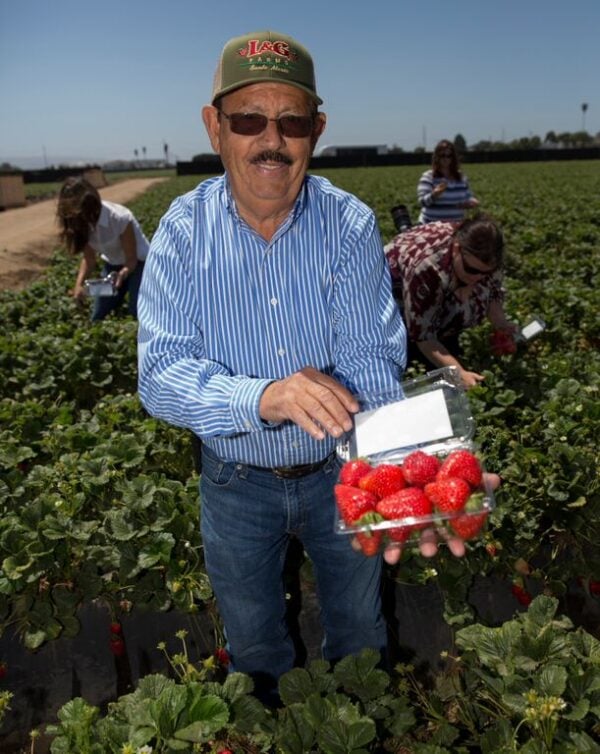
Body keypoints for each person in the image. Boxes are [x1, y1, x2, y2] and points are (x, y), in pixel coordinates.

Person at [137, 29, 498, 705]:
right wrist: (264, 396)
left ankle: (353, 727)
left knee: (361, 630)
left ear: (317, 130)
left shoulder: (350, 224)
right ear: (215, 126)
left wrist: (413, 464)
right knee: (253, 643)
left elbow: (370, 357)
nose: (271, 141)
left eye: (292, 121)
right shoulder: (181, 236)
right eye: (248, 119)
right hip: (235, 482)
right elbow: (160, 373)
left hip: (343, 469)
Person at [384, 215, 518, 389]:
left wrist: (501, 324)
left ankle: (446, 335)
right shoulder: (427, 267)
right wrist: (459, 373)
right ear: (456, 248)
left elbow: (492, 292)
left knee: (468, 302)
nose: (478, 278)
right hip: (392, 286)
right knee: (414, 340)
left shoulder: (490, 256)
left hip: (443, 272)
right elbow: (423, 336)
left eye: (486, 273)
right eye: (472, 270)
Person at [56, 177, 149, 320]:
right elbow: (89, 259)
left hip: (139, 264)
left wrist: (122, 274)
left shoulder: (119, 218)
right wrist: (79, 285)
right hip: (112, 266)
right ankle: (118, 294)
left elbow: (131, 259)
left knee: (137, 313)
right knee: (98, 315)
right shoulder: (79, 223)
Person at [417, 140, 479, 224]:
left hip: (456, 226)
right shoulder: (428, 177)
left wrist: (471, 202)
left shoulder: (461, 177)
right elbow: (422, 202)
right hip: (431, 226)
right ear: (436, 157)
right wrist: (434, 194)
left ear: (453, 158)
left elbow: (467, 197)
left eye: (449, 156)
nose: (445, 158)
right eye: (442, 155)